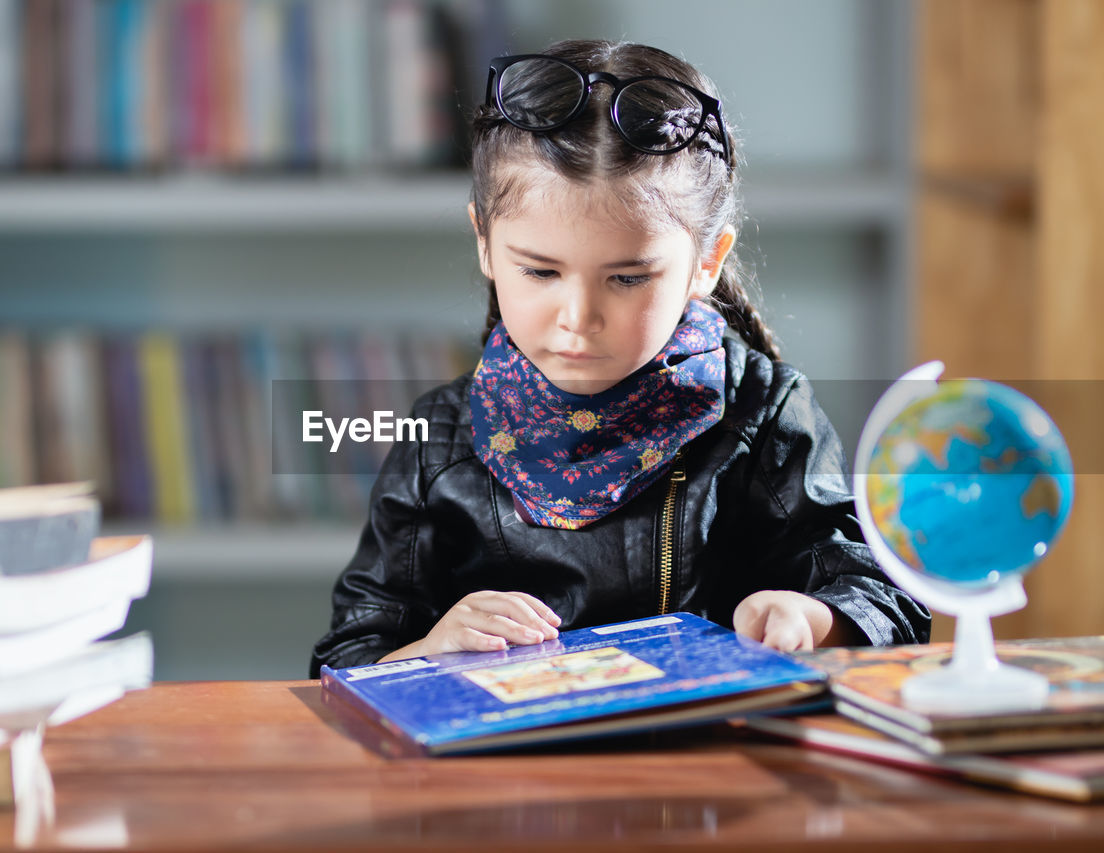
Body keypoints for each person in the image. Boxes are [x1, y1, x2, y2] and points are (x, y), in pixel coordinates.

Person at [309, 40, 929, 676]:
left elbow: (886, 598)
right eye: (540, 271)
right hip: (508, 771)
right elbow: (347, 660)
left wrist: (810, 617)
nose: (578, 316)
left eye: (628, 278)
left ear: (706, 263)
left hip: (711, 759)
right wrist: (431, 650)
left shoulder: (765, 413)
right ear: (486, 245)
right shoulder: (437, 439)